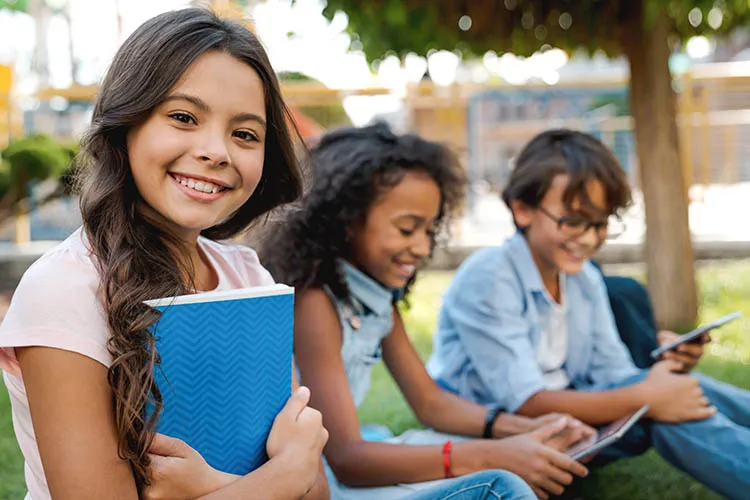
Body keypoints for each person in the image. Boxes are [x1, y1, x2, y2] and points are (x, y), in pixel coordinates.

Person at [0, 9, 328, 500]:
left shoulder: (250, 278)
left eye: (245, 134)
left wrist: (214, 487)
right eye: (183, 117)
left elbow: (317, 492)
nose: (216, 151)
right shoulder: (65, 289)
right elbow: (297, 479)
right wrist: (285, 475)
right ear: (126, 123)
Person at [265, 123, 594, 500]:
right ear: (345, 220)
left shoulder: (376, 297)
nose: (422, 248)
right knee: (502, 486)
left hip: (350, 466)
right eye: (407, 230)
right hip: (320, 483)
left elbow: (429, 402)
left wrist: (525, 429)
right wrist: (492, 456)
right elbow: (347, 458)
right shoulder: (315, 303)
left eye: (430, 230)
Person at [427, 128, 750, 500]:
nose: (587, 239)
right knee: (659, 405)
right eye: (573, 220)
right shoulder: (489, 276)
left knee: (676, 395)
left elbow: (614, 373)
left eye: (599, 224)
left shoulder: (583, 277)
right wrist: (649, 396)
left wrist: (659, 381)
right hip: (498, 433)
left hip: (568, 416)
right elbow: (526, 401)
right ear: (522, 208)